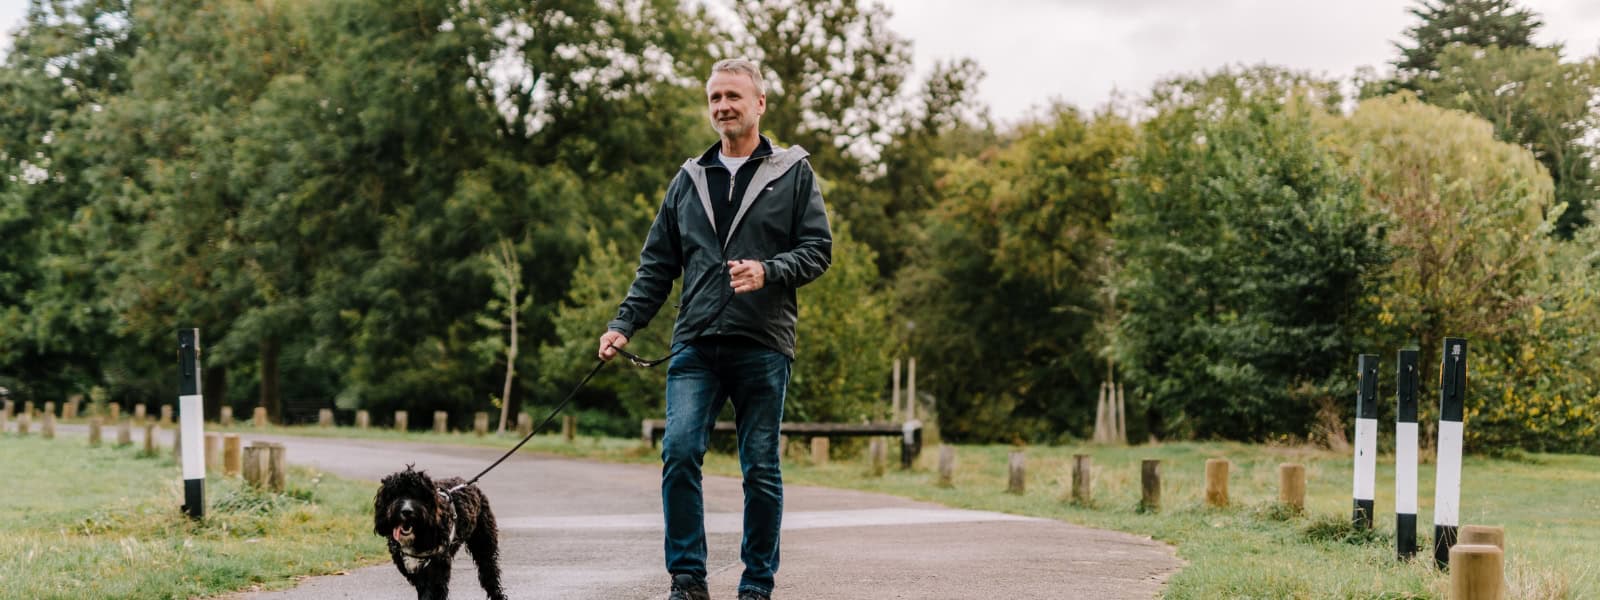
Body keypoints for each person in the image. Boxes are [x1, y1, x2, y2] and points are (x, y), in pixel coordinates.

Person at [597, 57, 832, 600]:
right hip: (695, 344)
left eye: (733, 96)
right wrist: (623, 325)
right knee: (678, 451)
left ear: (759, 104)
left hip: (763, 342)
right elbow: (657, 264)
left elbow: (818, 250)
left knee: (760, 470)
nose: (723, 106)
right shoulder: (689, 179)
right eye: (715, 98)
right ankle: (687, 577)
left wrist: (770, 270)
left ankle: (756, 585)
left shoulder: (792, 172)